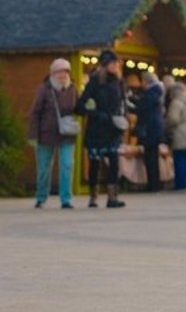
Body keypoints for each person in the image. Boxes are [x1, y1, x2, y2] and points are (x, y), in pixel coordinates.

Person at [76, 50, 128, 208]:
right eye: (113, 63)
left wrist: (123, 117)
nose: (116, 66)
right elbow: (80, 105)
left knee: (114, 162)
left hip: (113, 128)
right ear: (105, 65)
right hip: (97, 128)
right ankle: (93, 196)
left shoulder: (119, 82)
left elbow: (123, 102)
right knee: (95, 163)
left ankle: (112, 197)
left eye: (117, 63)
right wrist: (96, 113)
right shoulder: (94, 82)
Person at [27, 57, 79, 209]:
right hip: (46, 134)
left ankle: (66, 199)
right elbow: (35, 112)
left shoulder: (73, 89)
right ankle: (41, 197)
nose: (62, 75)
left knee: (67, 165)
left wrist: (88, 107)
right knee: (44, 168)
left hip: (67, 133)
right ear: (52, 73)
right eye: (59, 72)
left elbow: (79, 107)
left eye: (65, 72)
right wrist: (33, 135)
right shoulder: (44, 89)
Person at [163, 79, 186, 190]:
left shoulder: (177, 102)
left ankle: (180, 183)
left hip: (180, 132)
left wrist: (167, 125)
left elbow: (173, 119)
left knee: (179, 157)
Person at [132, 70, 166, 192]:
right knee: (153, 156)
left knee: (150, 157)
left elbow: (142, 107)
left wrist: (132, 102)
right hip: (154, 128)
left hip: (150, 128)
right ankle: (154, 183)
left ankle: (153, 184)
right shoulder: (157, 92)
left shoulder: (152, 92)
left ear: (146, 81)